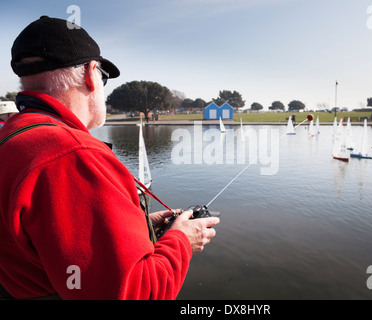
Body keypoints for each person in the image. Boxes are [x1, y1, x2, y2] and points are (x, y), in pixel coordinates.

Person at [0, 16, 219, 300]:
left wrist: (134, 228)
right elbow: (136, 293)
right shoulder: (73, 155)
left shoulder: (13, 135)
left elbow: (51, 239)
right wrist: (182, 241)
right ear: (92, 74)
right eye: (104, 77)